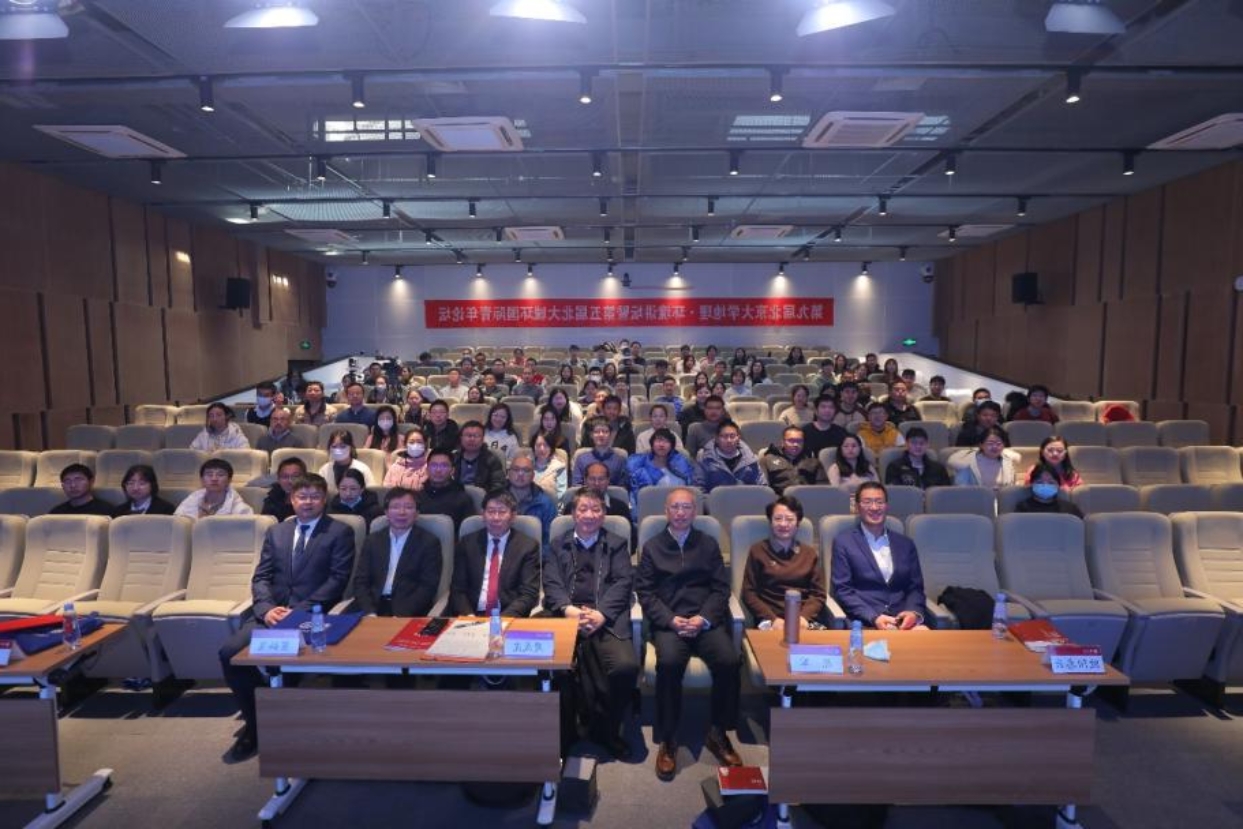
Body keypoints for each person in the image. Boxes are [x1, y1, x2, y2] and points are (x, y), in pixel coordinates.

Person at [218, 473, 354, 762]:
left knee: (287, 666)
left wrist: (298, 611)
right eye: (302, 496)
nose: (308, 502)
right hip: (271, 613)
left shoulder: (339, 532)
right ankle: (256, 725)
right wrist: (267, 609)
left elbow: (337, 580)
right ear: (292, 499)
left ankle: (285, 727)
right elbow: (261, 577)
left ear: (324, 500)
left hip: (311, 616)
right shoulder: (277, 531)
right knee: (230, 653)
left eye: (314, 496)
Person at [636, 488, 742, 781]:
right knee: (669, 663)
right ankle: (669, 738)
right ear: (666, 511)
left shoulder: (708, 544)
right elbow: (645, 592)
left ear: (695, 512)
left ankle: (718, 732)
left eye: (686, 507)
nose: (680, 513)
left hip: (704, 621)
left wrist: (703, 619)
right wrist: (670, 620)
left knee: (729, 661)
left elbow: (721, 589)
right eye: (675, 507)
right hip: (670, 623)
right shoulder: (653, 547)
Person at [543, 488, 637, 757]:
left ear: (604, 514)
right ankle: (566, 733)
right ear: (573, 513)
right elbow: (551, 582)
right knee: (554, 668)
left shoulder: (617, 544)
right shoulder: (558, 543)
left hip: (604, 619)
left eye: (596, 509)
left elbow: (623, 582)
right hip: (566, 617)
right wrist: (568, 610)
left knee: (625, 667)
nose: (589, 515)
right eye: (583, 509)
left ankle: (605, 731)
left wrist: (601, 614)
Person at [830, 482, 930, 631]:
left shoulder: (905, 544)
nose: (874, 507)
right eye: (867, 502)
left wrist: (913, 613)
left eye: (879, 502)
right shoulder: (844, 542)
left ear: (886, 506)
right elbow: (843, 590)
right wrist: (873, 617)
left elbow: (915, 588)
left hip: (902, 622)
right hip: (865, 622)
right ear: (857, 507)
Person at [449, 491, 541, 618]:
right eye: (491, 511)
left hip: (509, 615)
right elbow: (458, 590)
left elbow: (528, 593)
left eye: (502, 512)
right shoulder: (467, 543)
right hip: (472, 615)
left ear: (513, 516)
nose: (496, 518)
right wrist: (469, 616)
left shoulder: (527, 546)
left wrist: (501, 620)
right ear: (483, 515)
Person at [741, 496, 828, 628]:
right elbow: (749, 593)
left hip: (804, 620)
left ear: (798, 522)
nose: (783, 524)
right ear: (770, 521)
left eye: (789, 519)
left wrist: (804, 617)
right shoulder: (758, 550)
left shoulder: (809, 553)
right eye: (778, 518)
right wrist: (772, 619)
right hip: (770, 621)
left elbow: (818, 594)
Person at [627, 427, 700, 510]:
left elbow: (691, 491)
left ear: (672, 446)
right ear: (652, 444)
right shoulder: (640, 469)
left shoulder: (682, 466)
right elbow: (634, 499)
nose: (661, 445)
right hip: (650, 510)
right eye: (658, 440)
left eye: (666, 441)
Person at [416, 449, 477, 532]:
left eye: (444, 466)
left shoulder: (463, 499)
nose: (438, 470)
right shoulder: (417, 497)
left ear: (452, 470)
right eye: (434, 465)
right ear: (427, 470)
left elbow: (468, 532)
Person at [504, 451, 557, 546]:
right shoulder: (495, 499)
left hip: (535, 552)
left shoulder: (545, 504)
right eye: (516, 469)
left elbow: (549, 541)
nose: (520, 474)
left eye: (526, 470)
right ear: (508, 473)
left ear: (533, 476)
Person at [174, 458, 253, 520]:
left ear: (229, 480)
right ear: (202, 480)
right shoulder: (191, 500)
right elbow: (178, 523)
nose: (214, 478)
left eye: (220, 475)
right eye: (209, 474)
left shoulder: (241, 509)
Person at [698, 420, 765, 491]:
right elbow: (699, 488)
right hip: (716, 498)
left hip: (746, 497)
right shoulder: (705, 459)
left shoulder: (751, 460)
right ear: (717, 439)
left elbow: (762, 487)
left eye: (732, 436)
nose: (729, 440)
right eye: (724, 436)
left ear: (738, 438)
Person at [759, 426, 825, 495]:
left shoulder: (813, 461)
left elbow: (821, 487)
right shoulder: (768, 460)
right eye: (791, 440)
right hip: (779, 499)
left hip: (806, 498)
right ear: (782, 442)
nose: (795, 444)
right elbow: (764, 488)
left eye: (799, 441)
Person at [563, 461, 633, 524]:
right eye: (592, 479)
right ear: (585, 480)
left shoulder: (621, 508)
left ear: (608, 480)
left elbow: (630, 533)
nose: (597, 483)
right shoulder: (572, 507)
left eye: (601, 479)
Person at [884, 427, 951, 489]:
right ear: (906, 444)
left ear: (927, 445)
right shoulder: (895, 467)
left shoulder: (938, 469)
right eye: (914, 443)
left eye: (922, 443)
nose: (918, 446)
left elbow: (946, 492)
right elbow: (894, 492)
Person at [572, 417, 629, 487]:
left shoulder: (620, 460)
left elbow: (622, 488)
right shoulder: (581, 459)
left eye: (605, 432)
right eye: (596, 432)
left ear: (611, 435)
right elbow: (576, 485)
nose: (601, 435)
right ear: (591, 435)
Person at [453, 420, 506, 494]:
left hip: (484, 498)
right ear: (461, 438)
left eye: (476, 436)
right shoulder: (453, 458)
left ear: (483, 439)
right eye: (468, 435)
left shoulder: (491, 459)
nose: (472, 439)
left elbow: (498, 485)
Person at [1016, 463, 1085, 517]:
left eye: (1051, 482)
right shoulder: (1022, 508)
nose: (1045, 485)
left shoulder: (1070, 509)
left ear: (1058, 485)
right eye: (1040, 482)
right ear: (1032, 484)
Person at [110, 464, 177, 517]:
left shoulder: (166, 509)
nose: (135, 488)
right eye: (131, 483)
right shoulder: (118, 511)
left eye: (142, 483)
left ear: (152, 485)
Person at [48, 463, 114, 516]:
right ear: (62, 486)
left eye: (78, 480)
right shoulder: (56, 513)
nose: (73, 485)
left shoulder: (106, 511)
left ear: (91, 482)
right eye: (67, 481)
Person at [260, 457, 306, 521]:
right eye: (285, 477)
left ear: (304, 478)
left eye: (295, 476)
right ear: (278, 479)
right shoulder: (272, 499)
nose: (290, 481)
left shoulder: (312, 500)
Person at [685, 394, 727, 459]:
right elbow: (689, 456)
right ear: (704, 410)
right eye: (710, 408)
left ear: (723, 411)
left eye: (718, 408)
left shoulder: (730, 429)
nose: (714, 411)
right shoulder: (695, 428)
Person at [531, 432, 568, 500]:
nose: (542, 449)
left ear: (551, 448)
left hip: (551, 503)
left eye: (546, 445)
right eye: (538, 445)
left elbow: (561, 494)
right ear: (533, 447)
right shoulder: (527, 465)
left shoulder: (559, 467)